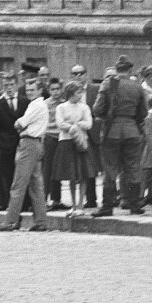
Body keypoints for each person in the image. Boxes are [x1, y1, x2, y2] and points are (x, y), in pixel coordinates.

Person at [0, 77, 49, 232]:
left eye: (33, 90)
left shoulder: (35, 105)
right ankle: (41, 220)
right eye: (28, 90)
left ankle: (10, 221)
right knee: (36, 184)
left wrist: (20, 125)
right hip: (35, 142)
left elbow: (19, 123)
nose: (29, 92)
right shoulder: (39, 104)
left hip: (28, 143)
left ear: (40, 90)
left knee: (18, 184)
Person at [92, 55, 148, 216]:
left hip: (112, 131)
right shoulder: (137, 87)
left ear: (116, 70)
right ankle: (134, 204)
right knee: (132, 167)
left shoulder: (108, 84)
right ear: (130, 70)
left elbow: (97, 109)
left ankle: (107, 206)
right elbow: (143, 112)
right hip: (132, 130)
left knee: (110, 168)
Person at [53, 81, 95, 217]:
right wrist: (72, 127)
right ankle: (73, 204)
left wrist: (75, 124)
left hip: (81, 142)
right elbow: (60, 123)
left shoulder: (84, 107)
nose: (80, 95)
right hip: (66, 142)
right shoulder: (61, 107)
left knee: (83, 174)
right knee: (71, 174)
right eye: (78, 93)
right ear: (71, 93)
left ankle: (81, 205)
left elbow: (89, 124)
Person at [0, 71, 28, 212]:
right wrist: (3, 143)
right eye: (6, 85)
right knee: (5, 175)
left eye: (12, 84)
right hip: (4, 146)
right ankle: (6, 202)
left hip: (22, 144)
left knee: (22, 175)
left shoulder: (25, 102)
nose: (9, 88)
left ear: (16, 85)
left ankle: (24, 203)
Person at [69, 64, 102, 208]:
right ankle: (83, 200)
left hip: (93, 131)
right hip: (77, 133)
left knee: (93, 165)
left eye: (81, 73)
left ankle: (92, 198)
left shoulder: (95, 89)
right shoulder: (70, 90)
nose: (78, 76)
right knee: (82, 166)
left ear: (86, 74)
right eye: (74, 74)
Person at [43, 77, 69, 210]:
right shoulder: (45, 104)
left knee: (57, 170)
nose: (56, 92)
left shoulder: (64, 103)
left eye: (58, 89)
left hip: (61, 138)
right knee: (47, 170)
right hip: (49, 138)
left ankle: (56, 200)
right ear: (49, 90)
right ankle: (43, 201)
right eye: (52, 89)